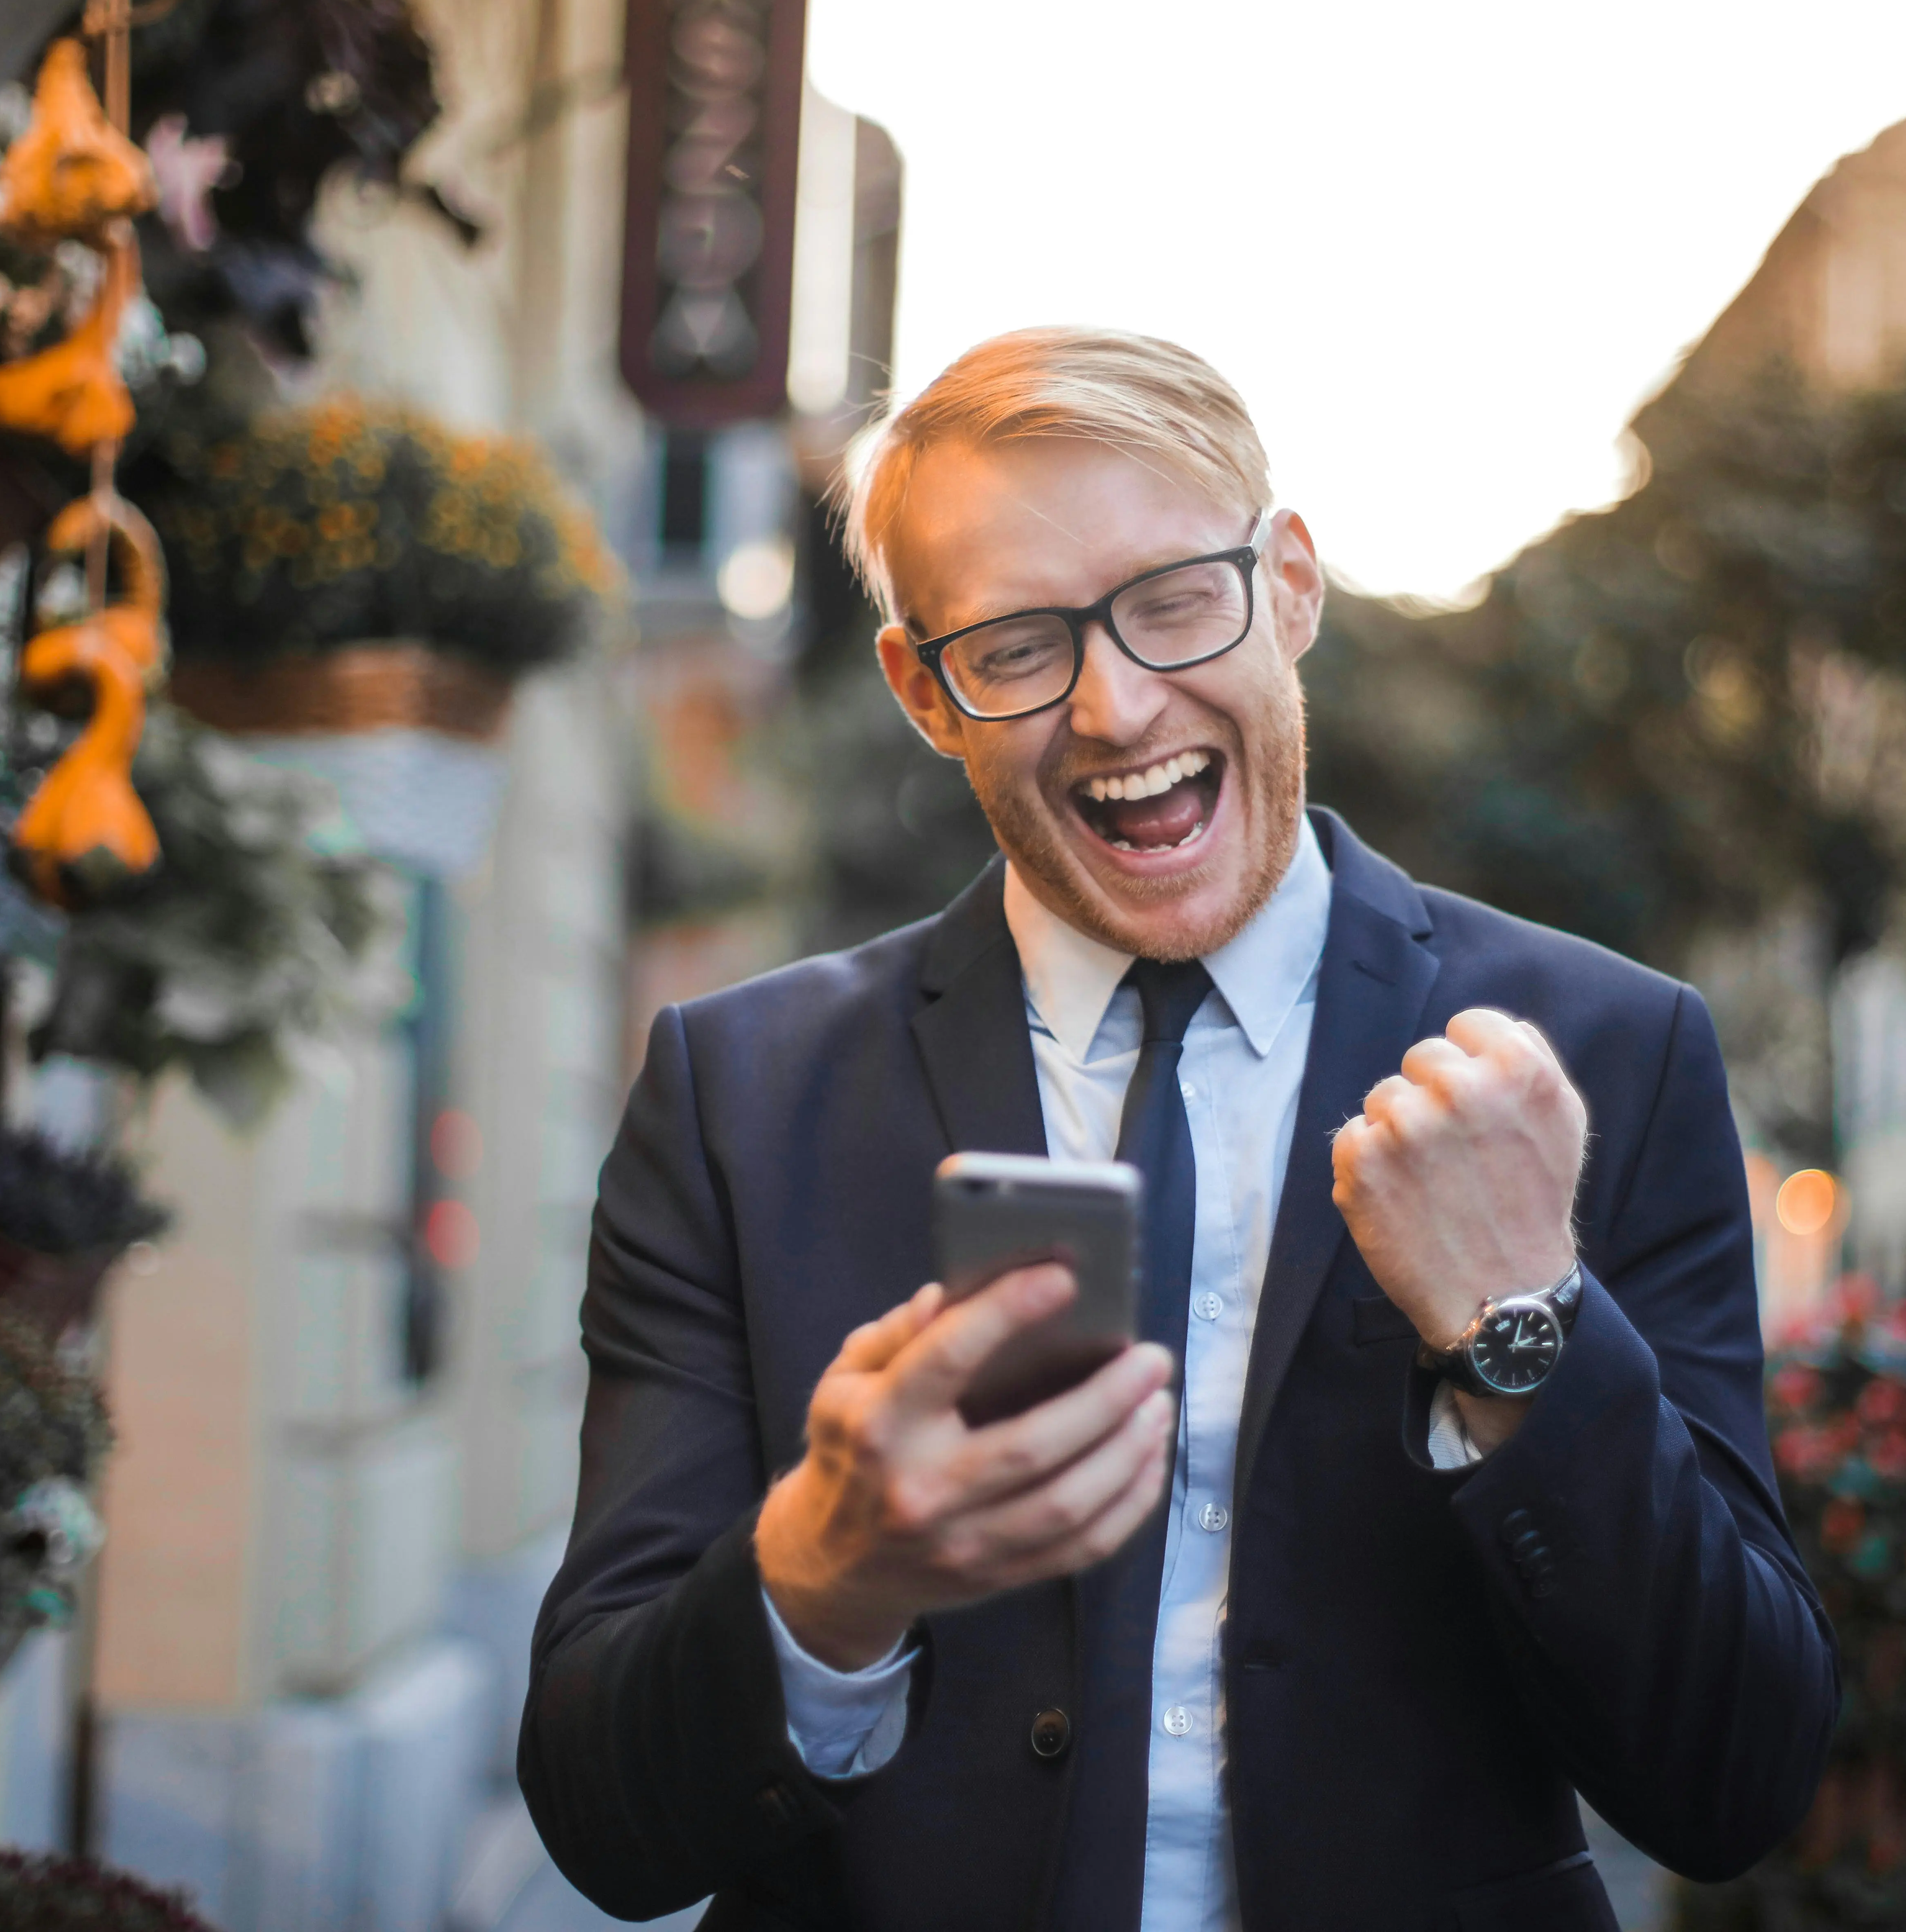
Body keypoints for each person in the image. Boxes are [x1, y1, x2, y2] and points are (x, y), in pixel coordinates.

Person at [522, 330, 1839, 1929]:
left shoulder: (1605, 1057)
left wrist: (1523, 1330)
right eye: (1015, 643)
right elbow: (606, 1819)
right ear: (923, 691)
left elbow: (1731, 1778)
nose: (1113, 701)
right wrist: (825, 1567)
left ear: (1288, 584)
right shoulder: (736, 1092)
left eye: (1171, 599)